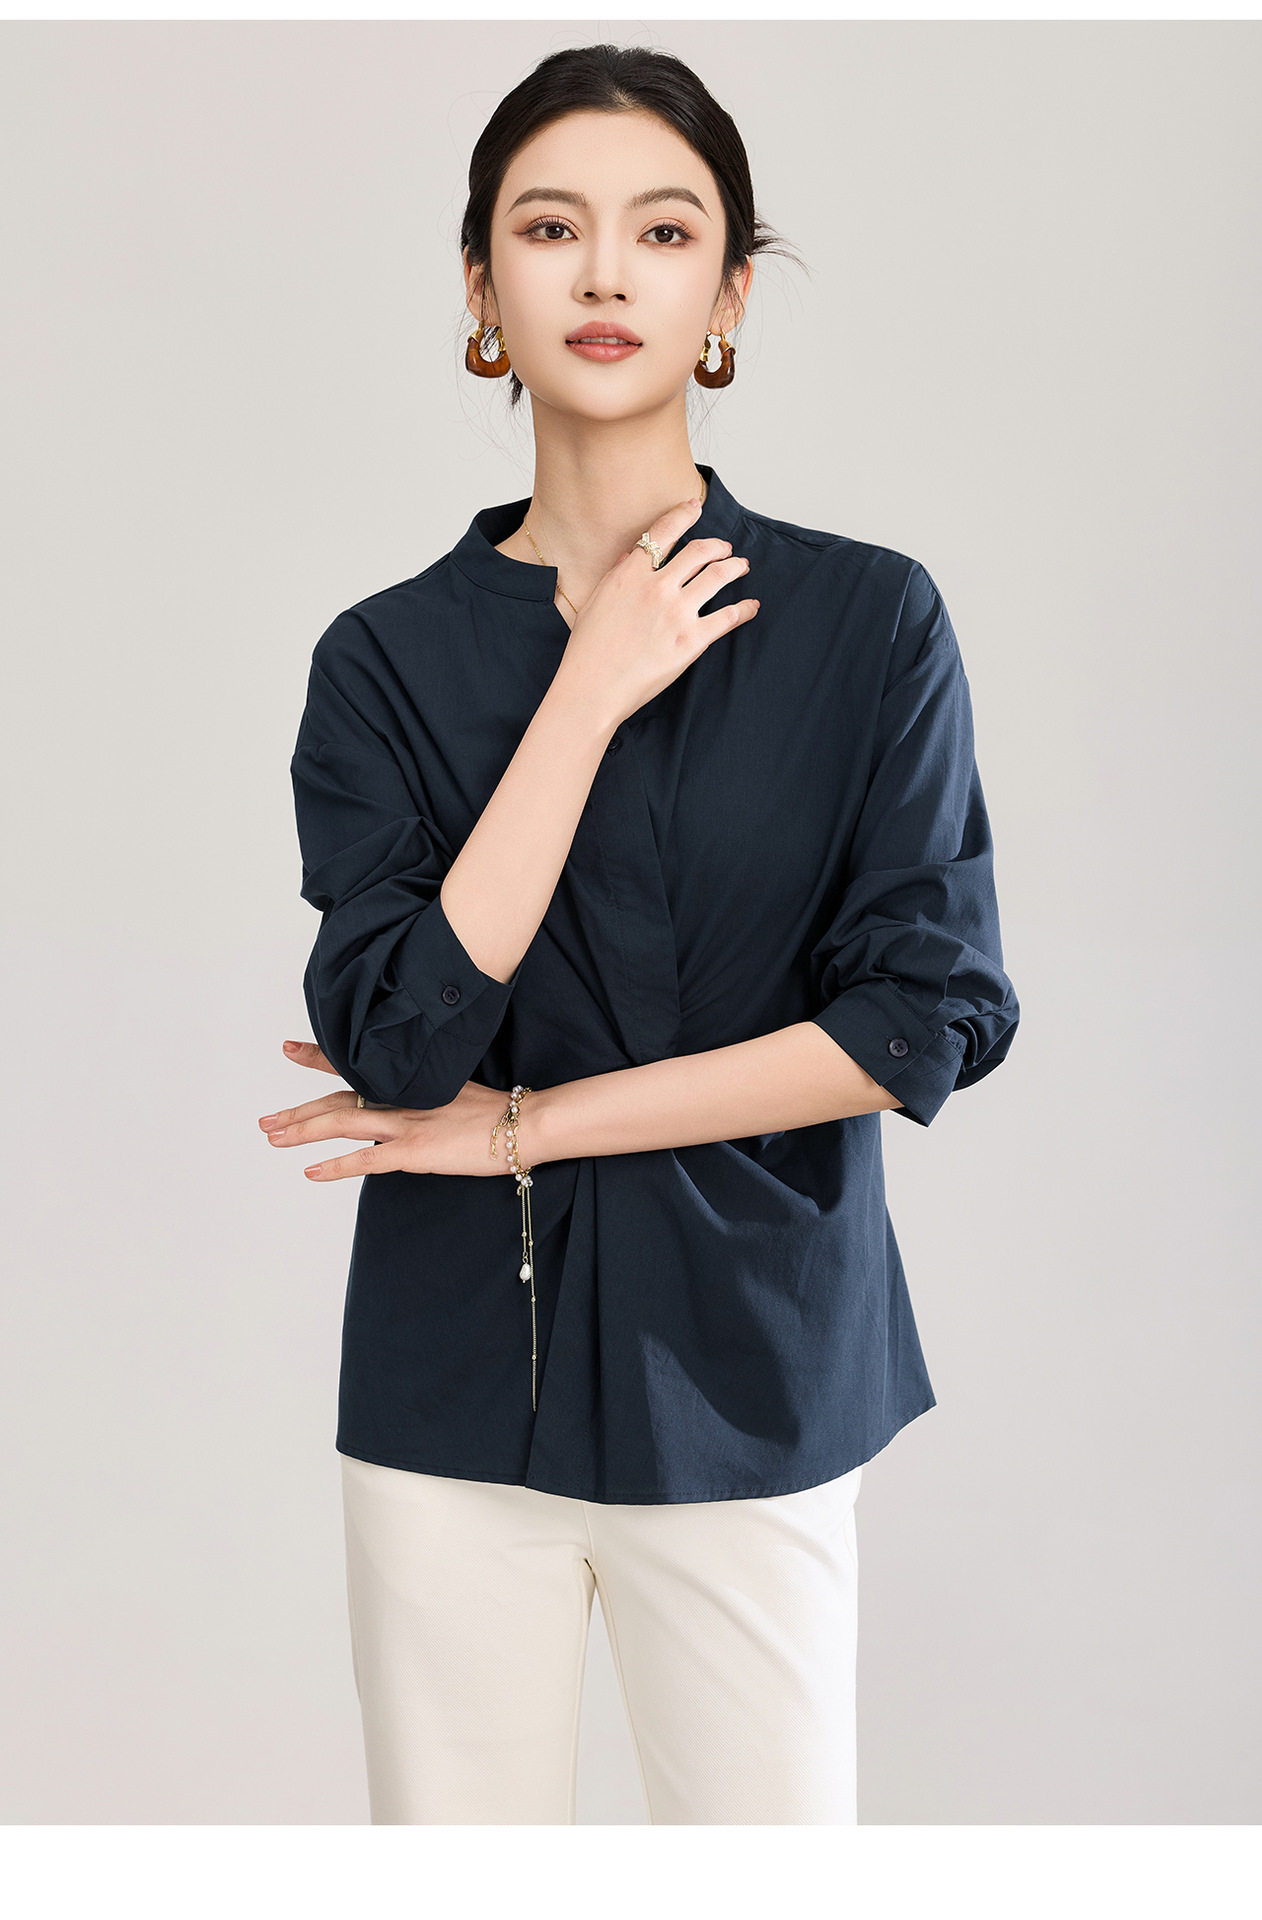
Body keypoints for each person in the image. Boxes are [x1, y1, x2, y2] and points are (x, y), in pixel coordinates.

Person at [258, 44, 1019, 1825]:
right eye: (549, 229)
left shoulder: (867, 622)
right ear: (480, 287)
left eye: (663, 232)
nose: (604, 273)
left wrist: (522, 1129)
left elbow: (915, 1022)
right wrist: (585, 691)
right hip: (452, 1399)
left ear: (727, 292)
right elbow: (400, 1042)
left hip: (757, 1379)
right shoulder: (381, 660)